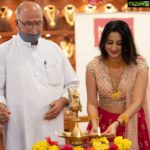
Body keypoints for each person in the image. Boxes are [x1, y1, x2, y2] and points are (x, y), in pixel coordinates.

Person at [0, 2, 79, 150]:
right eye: (28, 24)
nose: (34, 29)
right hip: (19, 129)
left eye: (38, 23)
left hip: (52, 126)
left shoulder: (54, 49)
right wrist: (1, 107)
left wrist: (62, 101)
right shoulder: (4, 52)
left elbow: (72, 84)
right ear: (17, 23)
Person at [86, 20, 150, 150]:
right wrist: (94, 123)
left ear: (127, 44)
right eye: (110, 42)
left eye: (119, 43)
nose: (114, 48)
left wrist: (117, 123)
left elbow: (137, 102)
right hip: (102, 123)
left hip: (131, 122)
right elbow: (92, 102)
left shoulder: (139, 66)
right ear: (103, 42)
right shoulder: (93, 66)